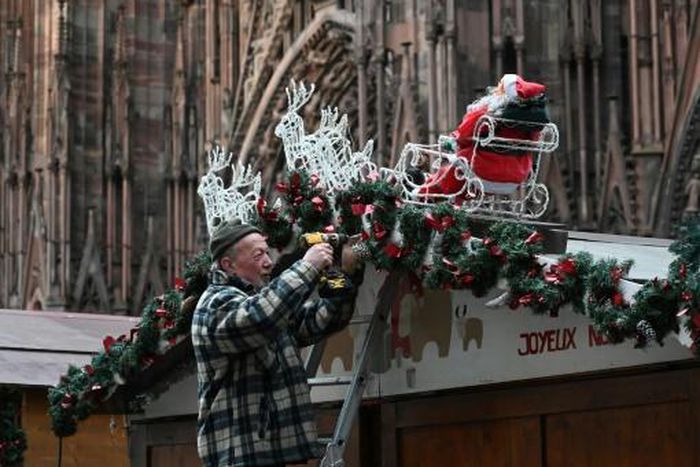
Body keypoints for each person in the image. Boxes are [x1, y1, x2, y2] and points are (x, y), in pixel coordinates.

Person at [192, 219, 359, 467]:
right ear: (228, 265)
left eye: (267, 253)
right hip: (240, 456)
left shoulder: (267, 301)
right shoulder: (214, 303)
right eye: (258, 255)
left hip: (279, 454)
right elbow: (259, 318)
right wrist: (307, 266)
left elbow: (319, 321)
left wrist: (344, 275)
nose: (269, 262)